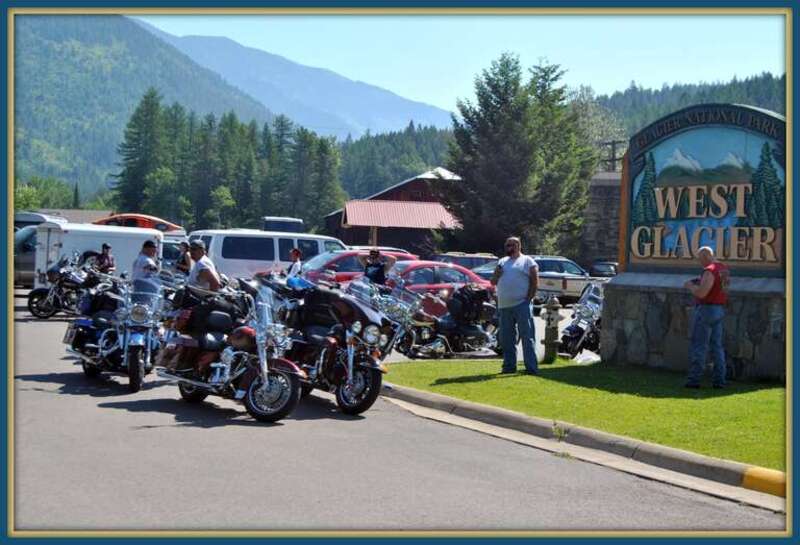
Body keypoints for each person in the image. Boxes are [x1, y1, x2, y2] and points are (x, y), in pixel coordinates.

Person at [491, 236, 539, 375]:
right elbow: (493, 282)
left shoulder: (527, 261)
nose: (508, 248)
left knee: (527, 337)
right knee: (506, 339)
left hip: (521, 305)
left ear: (519, 246)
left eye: (511, 245)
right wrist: (496, 274)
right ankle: (509, 367)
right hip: (504, 306)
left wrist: (527, 300)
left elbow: (535, 283)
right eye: (507, 245)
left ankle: (531, 368)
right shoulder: (502, 262)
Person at [683, 246, 730, 389]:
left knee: (699, 346)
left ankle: (694, 380)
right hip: (719, 309)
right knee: (717, 347)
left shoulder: (709, 270)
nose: (700, 262)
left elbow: (702, 293)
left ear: (706, 256)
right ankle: (719, 380)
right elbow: (723, 288)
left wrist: (690, 286)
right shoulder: (723, 269)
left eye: (700, 259)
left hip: (706, 310)